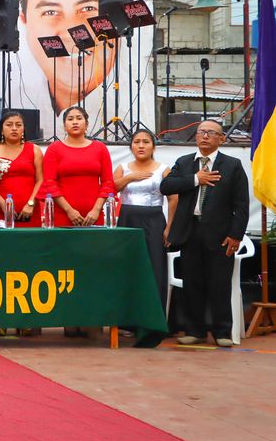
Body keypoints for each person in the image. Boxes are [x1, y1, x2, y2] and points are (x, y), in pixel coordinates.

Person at [13, 0, 123, 135]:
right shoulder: (17, 103)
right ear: (24, 21)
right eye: (50, 12)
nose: (71, 31)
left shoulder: (132, 106)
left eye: (88, 8)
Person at [160, 120, 250, 347]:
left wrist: (236, 235)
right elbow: (166, 186)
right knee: (192, 283)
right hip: (189, 231)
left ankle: (222, 332)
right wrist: (195, 179)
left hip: (220, 235)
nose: (205, 136)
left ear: (222, 138)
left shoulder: (232, 165)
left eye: (211, 133)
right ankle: (194, 330)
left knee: (220, 284)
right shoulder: (184, 162)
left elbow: (241, 205)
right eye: (201, 132)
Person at [113, 129, 176, 311]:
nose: (141, 146)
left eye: (146, 142)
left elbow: (174, 199)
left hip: (154, 222)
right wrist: (129, 177)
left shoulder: (163, 169)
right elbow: (112, 189)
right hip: (127, 221)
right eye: (137, 142)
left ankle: (153, 315)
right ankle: (128, 317)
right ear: (131, 146)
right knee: (128, 267)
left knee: (155, 267)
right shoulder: (122, 168)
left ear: (153, 147)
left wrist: (169, 227)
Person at [42, 106, 114, 228]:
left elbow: (107, 183)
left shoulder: (100, 148)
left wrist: (96, 210)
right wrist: (69, 210)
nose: (75, 122)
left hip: (94, 217)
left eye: (79, 118)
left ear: (86, 124)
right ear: (64, 126)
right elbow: (50, 184)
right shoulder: (54, 149)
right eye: (70, 119)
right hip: (62, 215)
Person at [0, 110, 43, 228]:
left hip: (29, 213)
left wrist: (31, 203)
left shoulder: (34, 150)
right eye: (9, 125)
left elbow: (41, 180)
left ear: (23, 129)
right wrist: (2, 204)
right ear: (1, 129)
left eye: (18, 125)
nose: (14, 128)